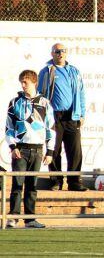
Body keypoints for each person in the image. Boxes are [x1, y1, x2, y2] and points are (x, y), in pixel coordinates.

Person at [5, 70, 56, 228]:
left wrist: (50, 151)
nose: (23, 85)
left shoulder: (45, 103)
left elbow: (51, 128)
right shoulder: (15, 103)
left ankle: (30, 219)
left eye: (26, 82)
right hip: (20, 149)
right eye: (21, 82)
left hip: (37, 150)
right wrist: (13, 146)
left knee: (32, 186)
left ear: (34, 82)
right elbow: (9, 128)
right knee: (17, 185)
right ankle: (13, 218)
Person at [38, 43, 87, 191]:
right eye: (57, 51)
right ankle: (56, 181)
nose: (60, 54)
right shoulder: (46, 72)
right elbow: (41, 95)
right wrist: (45, 117)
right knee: (54, 149)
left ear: (66, 53)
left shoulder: (74, 71)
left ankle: (74, 182)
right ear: (52, 54)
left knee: (75, 150)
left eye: (63, 51)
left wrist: (82, 113)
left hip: (72, 115)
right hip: (55, 116)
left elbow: (81, 93)